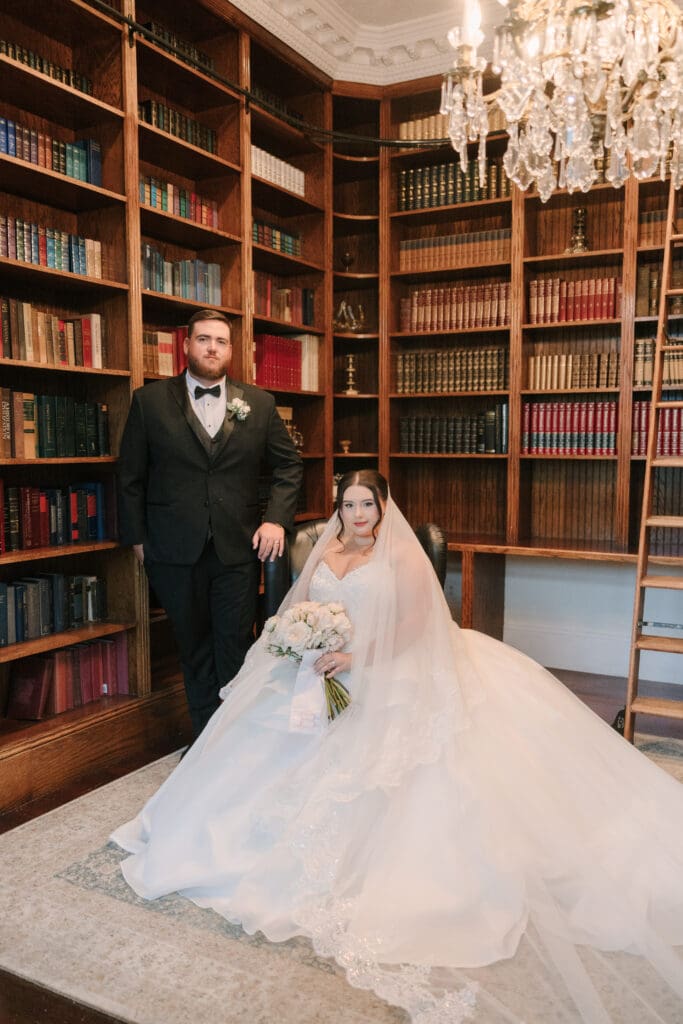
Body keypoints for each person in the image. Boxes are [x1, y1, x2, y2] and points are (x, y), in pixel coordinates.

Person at [112, 470, 683, 1023]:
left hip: (389, 667)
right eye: (348, 505)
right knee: (254, 749)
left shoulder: (402, 553)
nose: (358, 516)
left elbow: (415, 624)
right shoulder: (324, 551)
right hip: (323, 664)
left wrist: (359, 657)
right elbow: (300, 608)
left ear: (385, 508)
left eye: (368, 505)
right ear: (338, 508)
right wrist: (302, 643)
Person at [117, 309, 302, 737]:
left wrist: (276, 519)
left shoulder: (259, 403)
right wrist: (138, 540)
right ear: (186, 345)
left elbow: (289, 467)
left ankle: (237, 740)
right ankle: (205, 745)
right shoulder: (149, 402)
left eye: (220, 341)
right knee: (193, 647)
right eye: (203, 339)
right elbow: (130, 477)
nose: (212, 348)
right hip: (171, 551)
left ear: (231, 350)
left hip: (237, 548)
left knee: (235, 645)